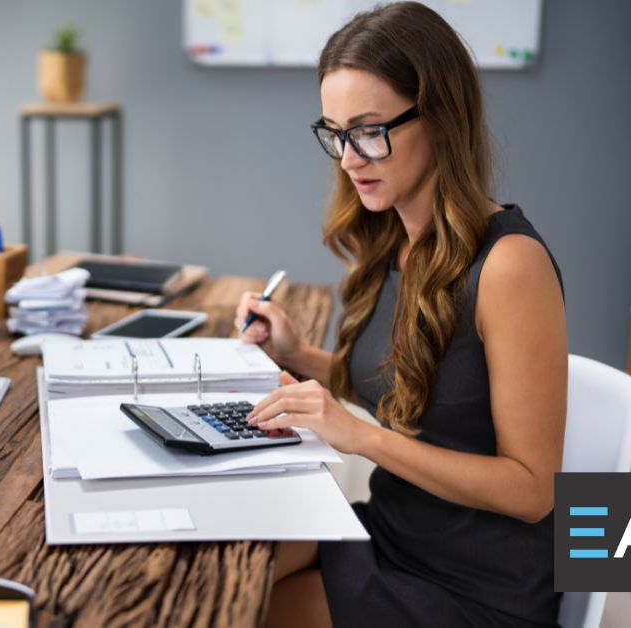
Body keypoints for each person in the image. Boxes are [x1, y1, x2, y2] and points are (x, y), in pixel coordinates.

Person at [235, 3, 567, 627]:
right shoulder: (397, 240)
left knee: (237, 609)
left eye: (368, 130)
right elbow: (422, 395)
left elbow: (534, 488)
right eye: (334, 133)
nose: (348, 158)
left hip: (478, 585)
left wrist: (362, 437)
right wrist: (298, 356)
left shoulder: (510, 264)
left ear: (440, 117)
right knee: (214, 570)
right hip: (393, 530)